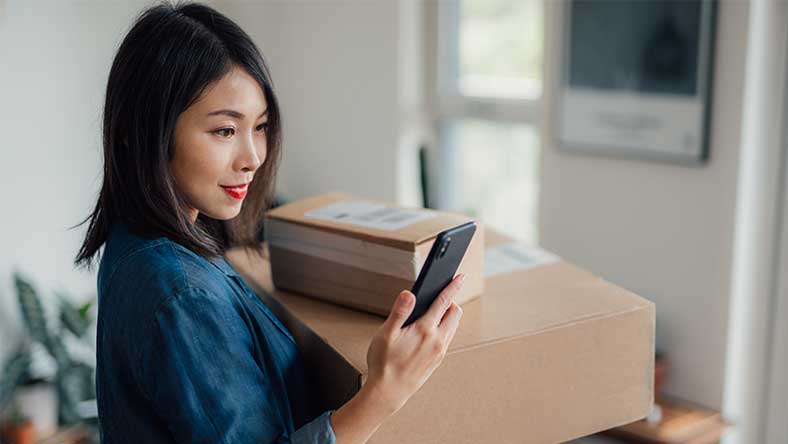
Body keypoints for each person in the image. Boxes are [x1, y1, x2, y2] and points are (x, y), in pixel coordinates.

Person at [73, 2, 464, 443]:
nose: (253, 158)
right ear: (143, 130)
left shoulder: (144, 240)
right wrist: (383, 393)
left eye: (259, 127)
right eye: (225, 131)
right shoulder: (181, 293)